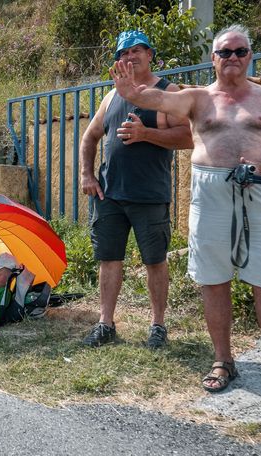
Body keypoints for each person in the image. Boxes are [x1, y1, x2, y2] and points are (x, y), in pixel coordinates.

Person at [109, 24, 261, 393]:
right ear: (213, 59)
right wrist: (131, 93)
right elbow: (155, 100)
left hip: (258, 191)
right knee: (213, 279)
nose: (233, 58)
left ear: (250, 56)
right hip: (210, 194)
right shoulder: (197, 98)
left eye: (240, 51)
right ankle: (223, 360)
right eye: (225, 52)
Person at [79, 30, 193, 348]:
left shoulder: (167, 92)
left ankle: (157, 326)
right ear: (118, 61)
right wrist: (88, 176)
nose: (130, 56)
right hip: (110, 195)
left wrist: (146, 134)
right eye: (123, 53)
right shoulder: (111, 96)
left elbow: (188, 137)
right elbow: (89, 137)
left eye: (137, 50)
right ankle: (106, 324)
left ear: (150, 55)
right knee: (108, 258)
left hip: (149, 195)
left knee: (155, 260)